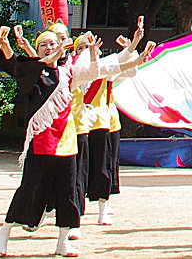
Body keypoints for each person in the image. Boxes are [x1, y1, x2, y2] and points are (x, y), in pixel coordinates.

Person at [0, 22, 138, 258]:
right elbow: (16, 65)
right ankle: (4, 233)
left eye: (53, 44)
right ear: (37, 50)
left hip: (67, 142)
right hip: (40, 142)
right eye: (43, 45)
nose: (49, 47)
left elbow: (98, 71)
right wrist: (7, 46)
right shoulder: (32, 70)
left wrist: (134, 58)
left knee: (68, 192)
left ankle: (63, 241)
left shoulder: (69, 71)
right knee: (29, 188)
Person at [78, 22, 148, 228]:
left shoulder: (102, 67)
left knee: (102, 166)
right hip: (76, 125)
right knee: (76, 170)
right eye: (81, 48)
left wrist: (133, 44)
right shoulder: (72, 70)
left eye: (89, 47)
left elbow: (123, 66)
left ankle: (102, 207)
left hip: (101, 121)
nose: (85, 52)